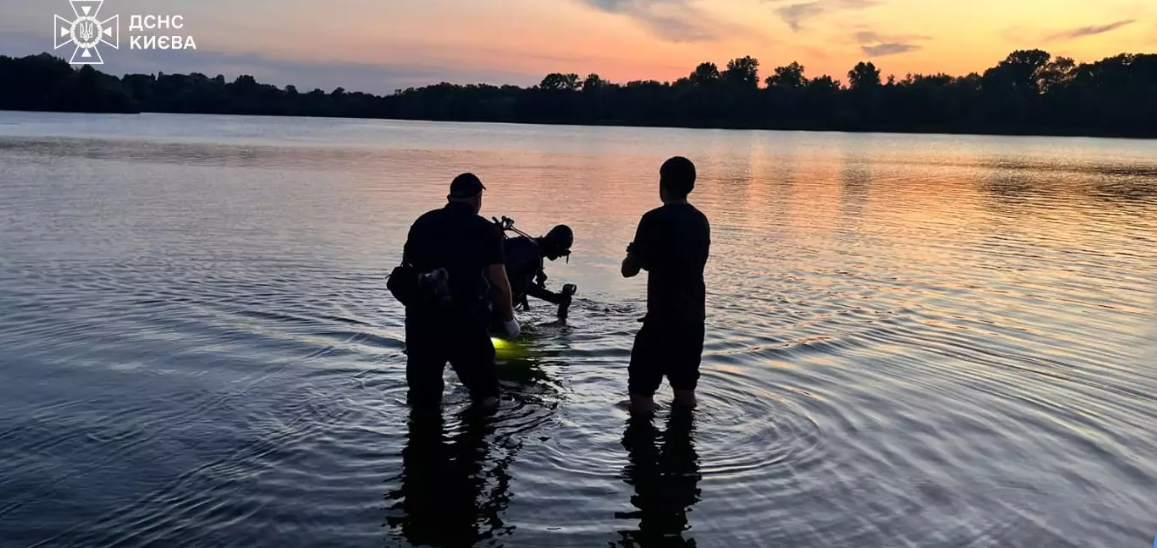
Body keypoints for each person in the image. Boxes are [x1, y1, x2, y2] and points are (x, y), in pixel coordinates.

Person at [399, 173, 520, 410]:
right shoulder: (486, 231)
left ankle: (422, 441)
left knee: (423, 398)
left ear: (450, 197)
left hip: (422, 322)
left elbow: (407, 268)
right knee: (486, 394)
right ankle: (476, 440)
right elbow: (498, 283)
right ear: (477, 198)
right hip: (465, 323)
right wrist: (508, 319)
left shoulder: (423, 222)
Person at [621, 156, 710, 414]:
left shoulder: (652, 219)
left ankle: (643, 448)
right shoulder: (701, 221)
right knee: (685, 392)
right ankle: (682, 445)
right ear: (691, 185)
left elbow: (629, 271)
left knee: (641, 393)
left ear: (662, 184)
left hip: (661, 321)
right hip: (694, 321)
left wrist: (633, 252)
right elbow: (680, 260)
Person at [501, 224, 577, 321]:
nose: (559, 256)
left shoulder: (529, 244)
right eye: (560, 252)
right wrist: (554, 298)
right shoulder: (533, 256)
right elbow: (522, 285)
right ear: (555, 245)